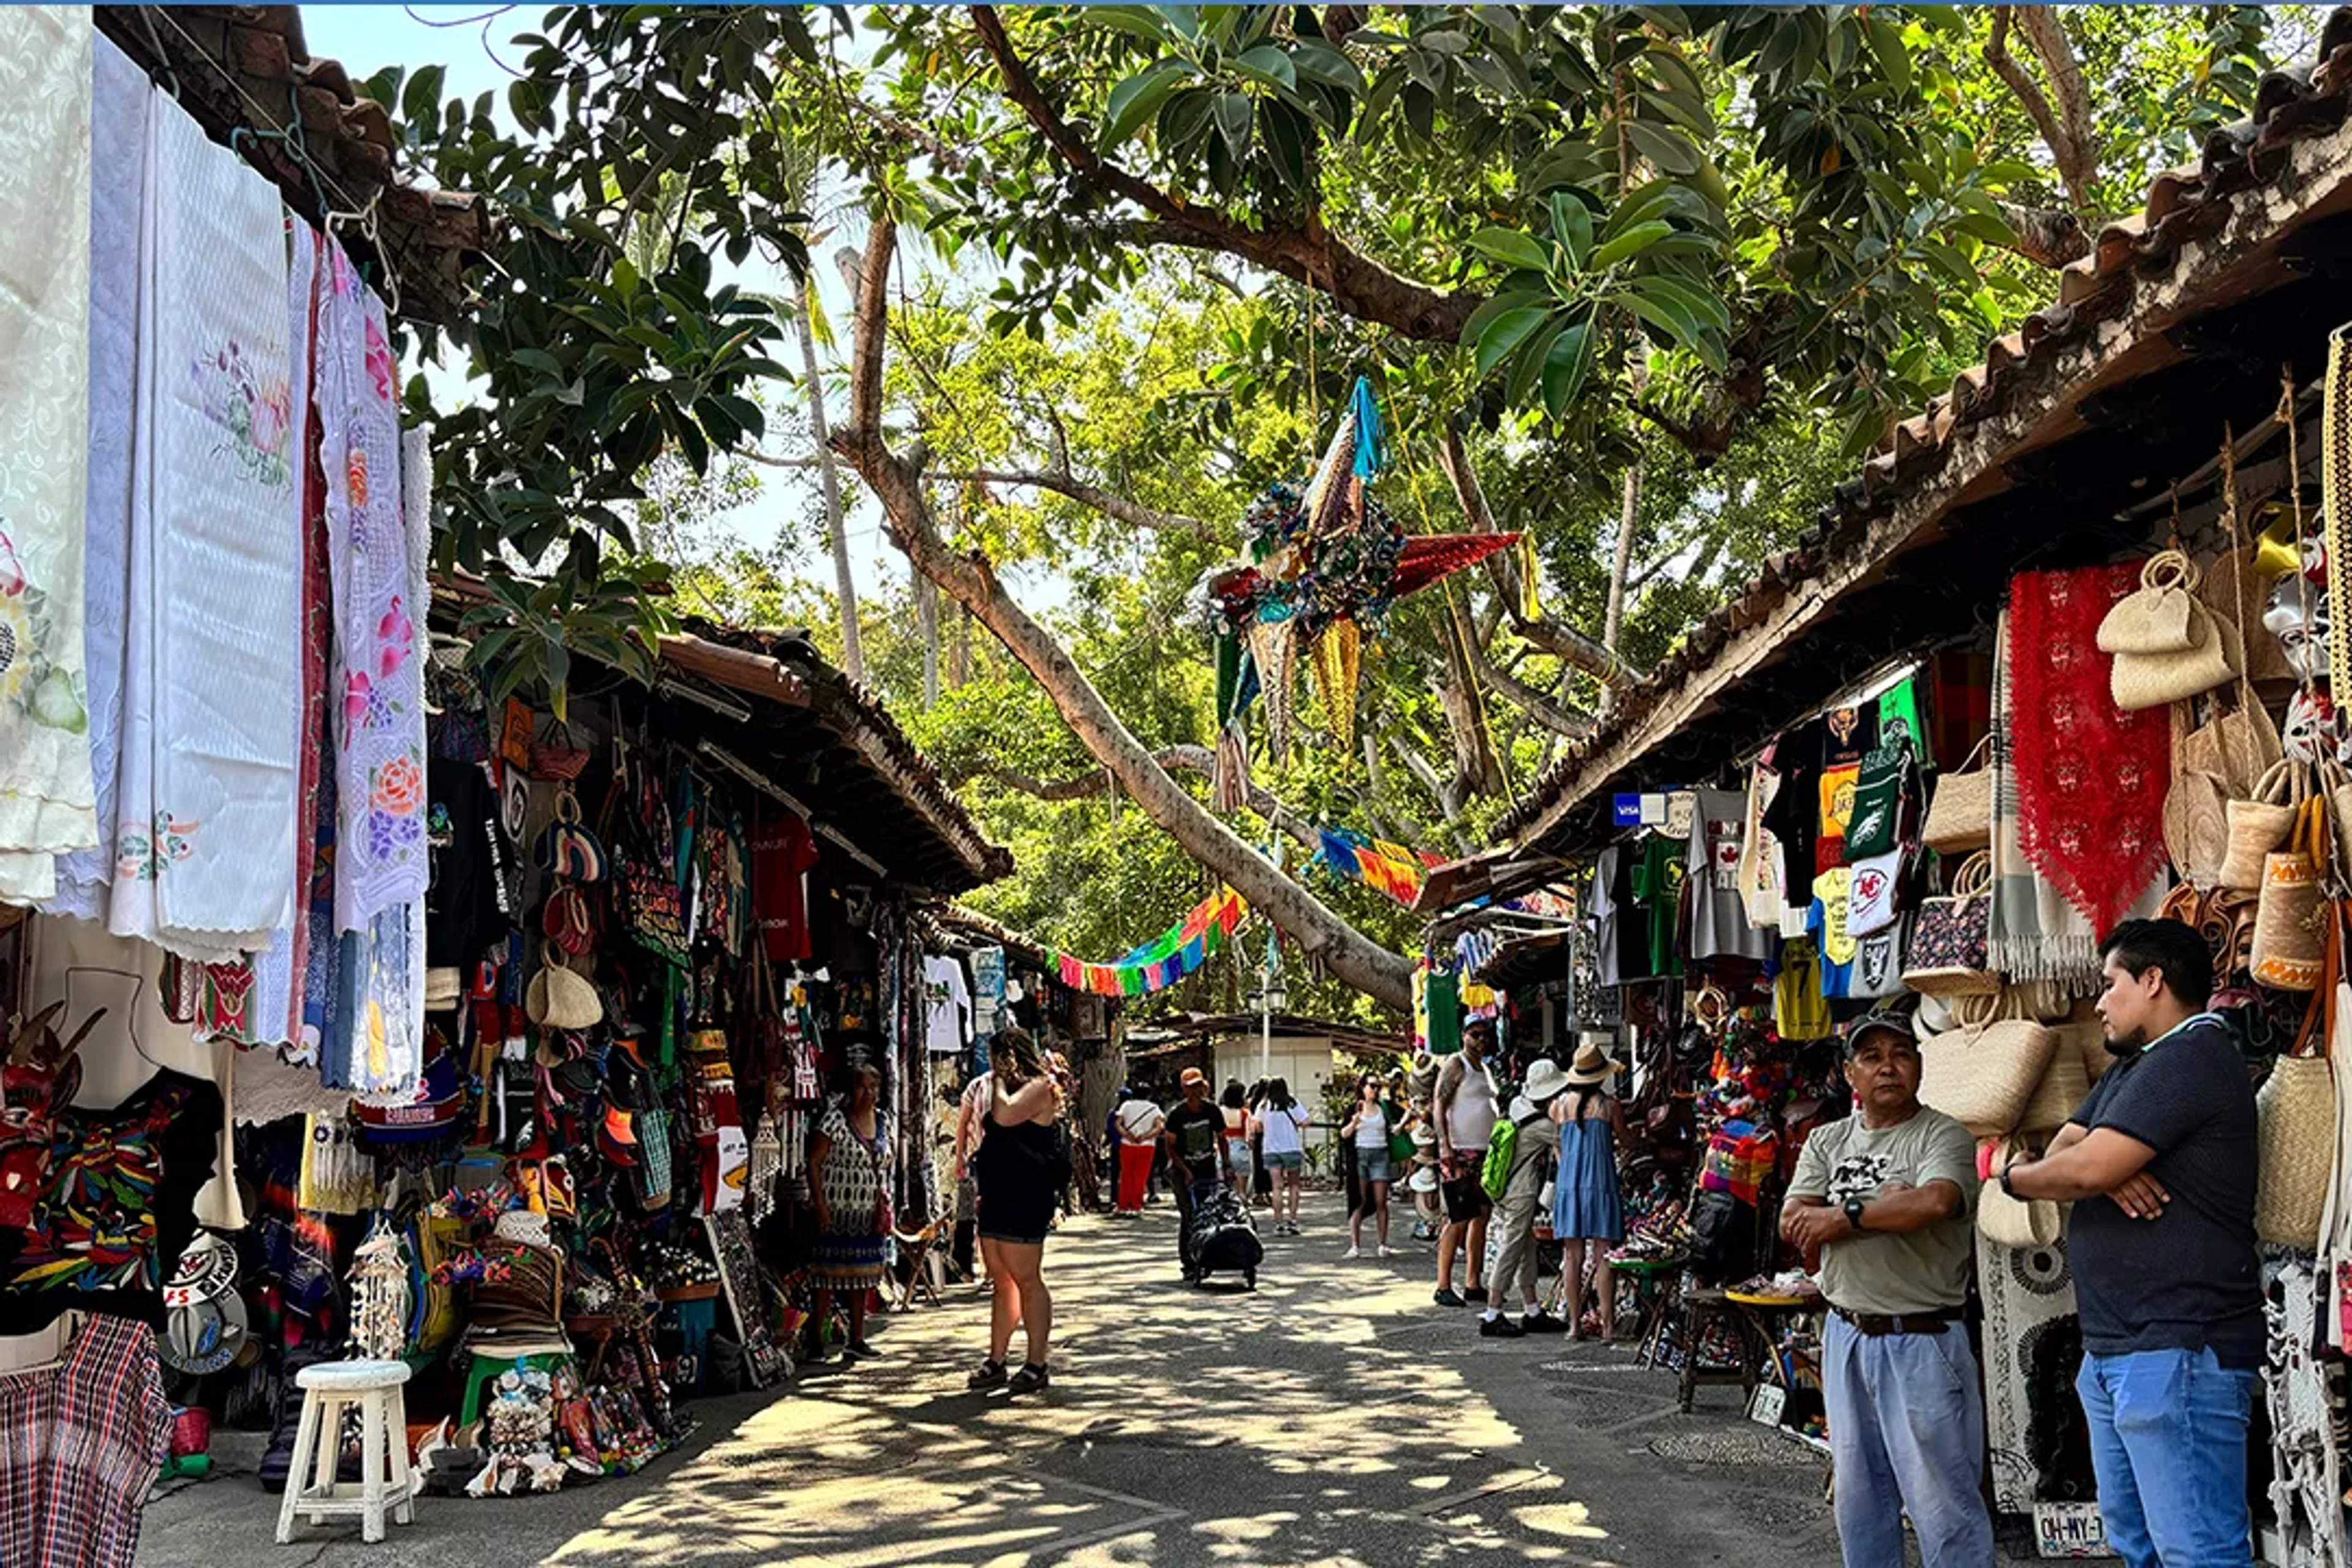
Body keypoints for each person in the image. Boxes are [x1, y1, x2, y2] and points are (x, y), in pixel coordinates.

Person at [2002, 918, 2261, 1568]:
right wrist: (2098, 1170)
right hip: (2122, 1348)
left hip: (2179, 1346)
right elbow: (2068, 1152)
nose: (2098, 1002)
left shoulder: (2192, 1056)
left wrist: (2014, 1176)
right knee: (2137, 1545)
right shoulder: (2136, 1067)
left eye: (2109, 984)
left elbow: (2076, 1169)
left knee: (2198, 1552)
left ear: (2152, 981)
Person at [1783, 1010, 1991, 1568]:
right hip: (1847, 1334)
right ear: (1850, 1072)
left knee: (1944, 1504)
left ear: (1919, 1067)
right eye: (1871, 1057)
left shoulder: (1943, 1134)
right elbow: (1793, 1219)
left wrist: (1843, 1216)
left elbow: (1934, 1202)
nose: (1887, 1067)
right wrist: (1884, 1206)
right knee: (1860, 1500)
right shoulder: (1827, 1139)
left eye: (1901, 1054)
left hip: (1923, 1337)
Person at [969, 1027, 1065, 1395]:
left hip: (1025, 1194)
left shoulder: (1039, 1086)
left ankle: (1037, 1362)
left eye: (996, 1057)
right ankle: (997, 1359)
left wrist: (996, 1080)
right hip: (997, 1192)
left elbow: (1006, 1116)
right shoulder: (1005, 1089)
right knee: (1002, 1280)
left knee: (1027, 1278)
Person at [1482, 1057, 1569, 1338]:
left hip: (1505, 1188)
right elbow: (1568, 1141)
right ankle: (1493, 1312)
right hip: (1521, 1192)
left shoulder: (1518, 1105)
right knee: (1511, 1248)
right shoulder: (1542, 1124)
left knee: (1526, 1247)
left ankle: (1532, 1310)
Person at [807, 1064, 889, 1364]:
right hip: (836, 1213)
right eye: (862, 1087)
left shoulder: (883, 1121)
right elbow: (814, 1163)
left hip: (867, 1216)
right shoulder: (834, 1120)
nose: (869, 1093)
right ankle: (815, 1341)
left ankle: (857, 1339)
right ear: (851, 1090)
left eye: (874, 1087)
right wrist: (820, 1206)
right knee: (826, 1279)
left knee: (861, 1279)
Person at [1549, 1039, 1630, 1340]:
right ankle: (1608, 1327)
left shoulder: (1558, 1106)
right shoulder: (1609, 1106)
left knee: (1572, 1257)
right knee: (1603, 1254)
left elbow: (1557, 1143)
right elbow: (1626, 1139)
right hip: (1601, 1182)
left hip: (1569, 1183)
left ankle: (1574, 1325)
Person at [1433, 1020, 1501, 1306]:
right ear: (1464, 1036)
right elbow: (1439, 1103)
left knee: (1481, 1217)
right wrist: (1444, 1144)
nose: (1481, 1040)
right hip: (1460, 1152)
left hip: (1484, 1152)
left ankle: (1473, 1281)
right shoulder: (1456, 1064)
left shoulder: (1484, 1069)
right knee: (1458, 1217)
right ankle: (1443, 1285)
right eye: (1475, 1034)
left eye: (1485, 1035)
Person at [1163, 1068, 1230, 1280]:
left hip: (1206, 1169)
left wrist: (1227, 1165)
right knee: (1189, 1215)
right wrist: (1185, 1171)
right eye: (1191, 1087)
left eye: (1199, 1086)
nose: (1196, 1091)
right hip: (1182, 1171)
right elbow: (1170, 1147)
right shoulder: (1177, 1114)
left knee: (1209, 1212)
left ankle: (1208, 1253)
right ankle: (1188, 1262)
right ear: (1184, 1089)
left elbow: (1222, 1138)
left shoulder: (1212, 1111)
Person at [1340, 1071, 1397, 1259]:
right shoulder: (1354, 1109)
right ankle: (1355, 1245)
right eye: (1372, 1086)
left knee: (1381, 1201)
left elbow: (1401, 1120)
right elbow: (1344, 1134)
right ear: (1363, 1088)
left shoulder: (1384, 1108)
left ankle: (1383, 1244)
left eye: (1378, 1087)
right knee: (1358, 1200)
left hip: (1381, 1154)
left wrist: (1401, 1125)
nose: (1375, 1090)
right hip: (1360, 1155)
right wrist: (1354, 1123)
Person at [1250, 1077, 1311, 1235]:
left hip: (1271, 1150)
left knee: (1276, 1187)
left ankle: (1278, 1224)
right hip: (1291, 1148)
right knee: (1294, 1186)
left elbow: (1256, 1126)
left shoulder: (1264, 1105)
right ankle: (1293, 1221)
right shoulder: (1292, 1103)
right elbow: (1306, 1121)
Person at [1110, 1085, 1163, 1217]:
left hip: (1127, 1145)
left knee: (1126, 1175)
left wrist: (1127, 1135)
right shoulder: (1154, 1108)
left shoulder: (1126, 1106)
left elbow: (1118, 1124)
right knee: (1140, 1177)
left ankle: (1123, 1206)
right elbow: (1159, 1127)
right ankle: (1136, 1206)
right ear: (1149, 1095)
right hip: (1147, 1146)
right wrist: (1145, 1136)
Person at [1219, 1080, 1253, 1201]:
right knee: (1241, 1191)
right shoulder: (1245, 1113)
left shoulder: (1220, 1111)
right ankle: (1243, 1205)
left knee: (1224, 1189)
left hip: (1223, 1150)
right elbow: (1249, 1135)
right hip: (1240, 1148)